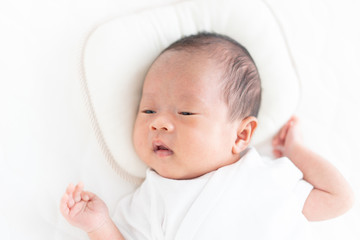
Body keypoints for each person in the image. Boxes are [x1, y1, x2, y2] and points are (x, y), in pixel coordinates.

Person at [60, 32, 354, 240]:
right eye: (148, 110)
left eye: (186, 113)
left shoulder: (264, 178)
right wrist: (98, 225)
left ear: (241, 134)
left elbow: (338, 198)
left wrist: (294, 150)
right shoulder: (151, 200)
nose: (159, 122)